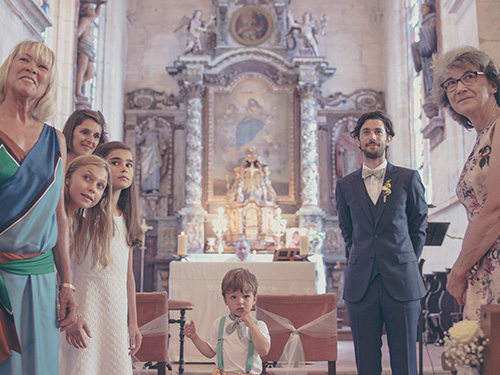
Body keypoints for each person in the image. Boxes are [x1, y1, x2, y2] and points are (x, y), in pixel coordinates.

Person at [0, 40, 77, 374]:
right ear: (8, 67)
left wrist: (68, 284)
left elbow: (60, 216)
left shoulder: (55, 139)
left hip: (42, 279)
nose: (32, 68)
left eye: (42, 66)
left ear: (48, 82)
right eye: (25, 60)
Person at [335, 111, 428, 375]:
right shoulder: (345, 186)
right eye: (366, 132)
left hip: (402, 281)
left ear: (388, 139)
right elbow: (347, 230)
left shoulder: (408, 179)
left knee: (406, 361)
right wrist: (363, 256)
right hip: (361, 285)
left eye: (378, 131)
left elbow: (418, 225)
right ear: (357, 139)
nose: (372, 137)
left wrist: (405, 258)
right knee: (366, 363)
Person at [62, 142, 143, 374]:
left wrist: (133, 322)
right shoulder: (84, 213)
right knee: (82, 363)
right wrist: (73, 314)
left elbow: (128, 276)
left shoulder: (126, 218)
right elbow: (66, 268)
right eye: (115, 162)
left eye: (129, 164)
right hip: (87, 301)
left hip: (115, 306)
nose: (123, 169)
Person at [431, 46, 500, 320]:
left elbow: (495, 210)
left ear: (493, 84)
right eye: (451, 83)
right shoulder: (482, 138)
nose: (459, 87)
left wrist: (458, 271)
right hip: (484, 261)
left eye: (469, 77)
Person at [185, 268, 270, 375]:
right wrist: (194, 337)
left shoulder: (259, 325)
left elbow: (264, 350)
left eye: (246, 296)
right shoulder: (219, 323)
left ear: (254, 300)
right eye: (233, 297)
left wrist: (251, 325)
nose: (240, 302)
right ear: (225, 300)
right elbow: (210, 352)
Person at [76, 1, 106, 98]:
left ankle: (77, 86)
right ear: (85, 11)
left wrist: (100, 4)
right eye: (90, 8)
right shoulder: (85, 20)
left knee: (90, 73)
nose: (92, 10)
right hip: (84, 45)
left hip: (90, 48)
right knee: (82, 68)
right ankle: (77, 91)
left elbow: (97, 14)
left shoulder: (91, 20)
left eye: (93, 8)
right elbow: (78, 33)